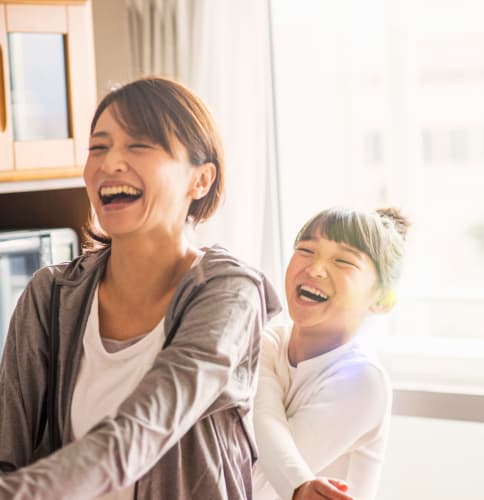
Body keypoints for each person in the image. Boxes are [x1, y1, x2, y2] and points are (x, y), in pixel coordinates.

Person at [0, 76, 281, 499]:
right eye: (98, 147)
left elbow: (140, 432)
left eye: (139, 145)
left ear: (200, 180)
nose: (109, 163)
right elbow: (7, 448)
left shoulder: (229, 291)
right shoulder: (51, 294)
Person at [252, 206, 410, 500]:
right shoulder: (268, 341)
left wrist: (296, 483)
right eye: (306, 250)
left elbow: (254, 484)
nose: (314, 269)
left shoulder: (362, 381)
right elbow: (263, 416)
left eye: (343, 261)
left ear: (382, 301)